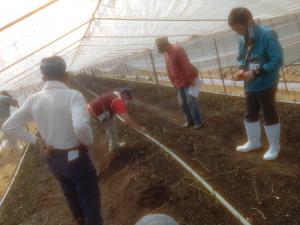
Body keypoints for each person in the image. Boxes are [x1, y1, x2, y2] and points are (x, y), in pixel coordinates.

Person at [2, 56, 103, 225]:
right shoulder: (73, 95)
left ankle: (80, 221)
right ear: (66, 75)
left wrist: (36, 142)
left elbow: (8, 126)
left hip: (54, 159)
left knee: (69, 193)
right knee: (90, 199)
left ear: (43, 77)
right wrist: (87, 141)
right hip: (76, 157)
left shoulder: (33, 99)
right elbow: (80, 125)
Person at [229, 7, 283, 160]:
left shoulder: (267, 35)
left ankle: (274, 146)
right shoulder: (242, 39)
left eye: (238, 28)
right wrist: (241, 70)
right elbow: (242, 59)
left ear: (247, 22)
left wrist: (255, 73)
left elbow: (277, 60)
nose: (237, 32)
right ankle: (254, 142)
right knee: (250, 112)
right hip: (250, 84)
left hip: (266, 81)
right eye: (234, 29)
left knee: (269, 112)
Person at [155, 36, 202, 129]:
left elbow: (186, 65)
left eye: (158, 46)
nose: (157, 49)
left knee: (191, 102)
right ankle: (190, 121)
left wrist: (190, 79)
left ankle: (198, 122)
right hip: (178, 83)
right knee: (182, 104)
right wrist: (173, 82)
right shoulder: (166, 54)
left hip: (187, 81)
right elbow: (169, 70)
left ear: (163, 45)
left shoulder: (178, 50)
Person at [87, 88, 145, 152]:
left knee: (111, 123)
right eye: (128, 98)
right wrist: (139, 128)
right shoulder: (117, 101)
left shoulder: (113, 94)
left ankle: (114, 145)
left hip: (96, 113)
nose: (127, 101)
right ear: (124, 95)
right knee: (89, 138)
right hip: (89, 117)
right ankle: (83, 156)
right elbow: (127, 120)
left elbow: (109, 106)